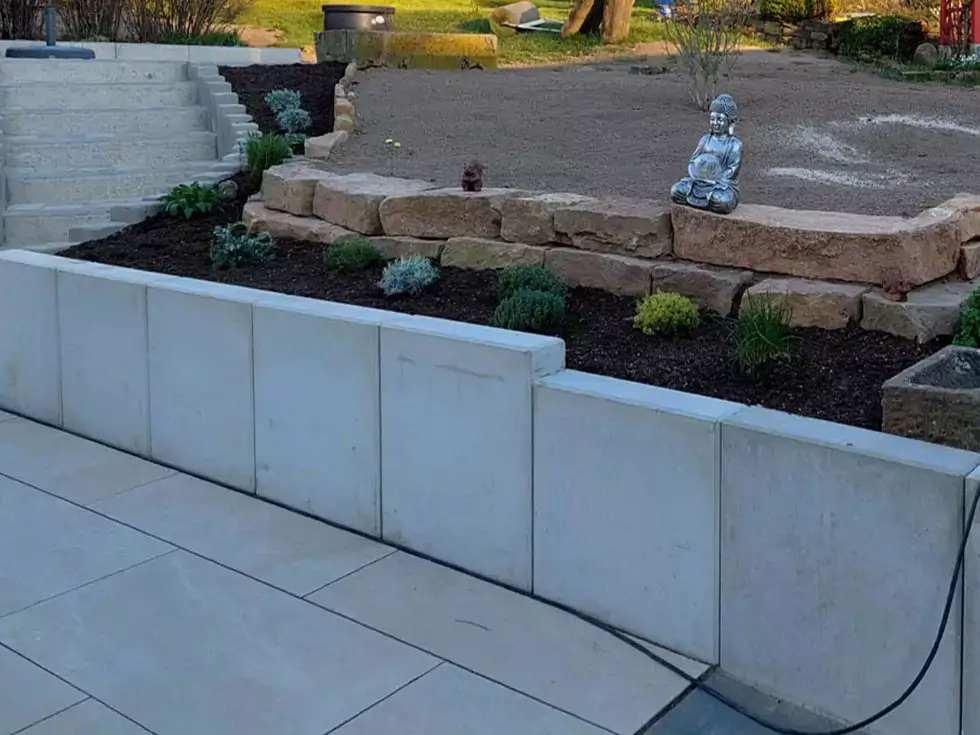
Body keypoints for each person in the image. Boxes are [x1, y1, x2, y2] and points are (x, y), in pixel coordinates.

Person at [670, 93, 743, 215]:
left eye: (720, 120)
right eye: (712, 119)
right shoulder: (705, 140)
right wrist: (699, 175)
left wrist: (712, 180)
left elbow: (731, 172)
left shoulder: (735, 145)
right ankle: (702, 199)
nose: (715, 123)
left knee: (720, 201)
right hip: (699, 182)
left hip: (721, 186)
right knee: (676, 190)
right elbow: (693, 161)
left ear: (730, 122)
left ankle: (708, 200)